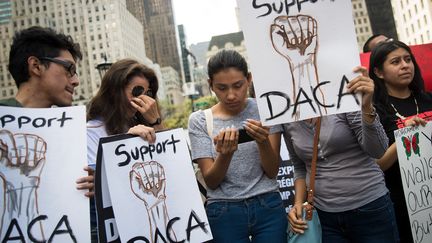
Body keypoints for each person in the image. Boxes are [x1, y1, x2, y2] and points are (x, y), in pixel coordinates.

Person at [275, 66, 399, 242]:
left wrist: (366, 108)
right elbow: (299, 166)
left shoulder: (343, 98)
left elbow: (378, 150)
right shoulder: (287, 116)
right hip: (325, 217)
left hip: (370, 208)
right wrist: (297, 204)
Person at [188, 50, 287, 242]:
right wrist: (225, 155)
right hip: (224, 211)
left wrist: (263, 141)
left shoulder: (266, 109)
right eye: (222, 88)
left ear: (248, 79)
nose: (231, 95)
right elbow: (211, 181)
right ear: (210, 85)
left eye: (238, 85)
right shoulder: (200, 120)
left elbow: (272, 170)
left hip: (267, 204)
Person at [86, 58, 163, 242]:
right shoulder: (91, 131)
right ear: (115, 91)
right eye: (137, 91)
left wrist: (155, 122)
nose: (145, 100)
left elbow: (166, 162)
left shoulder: (143, 124)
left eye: (148, 93)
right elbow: (100, 187)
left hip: (147, 224)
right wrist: (126, 141)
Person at [370, 40, 432, 243]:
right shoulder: (374, 112)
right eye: (395, 62)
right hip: (404, 203)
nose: (405, 65)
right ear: (379, 72)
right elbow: (378, 165)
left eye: (408, 59)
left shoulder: (428, 99)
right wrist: (407, 136)